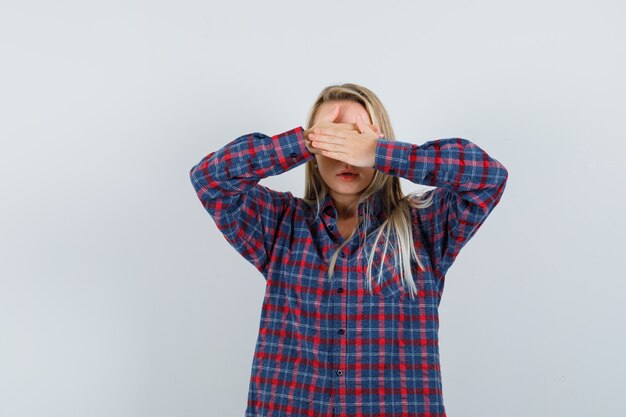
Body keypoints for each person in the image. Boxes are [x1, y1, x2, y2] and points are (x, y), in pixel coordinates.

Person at [189, 83, 508, 417]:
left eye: (357, 136)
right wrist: (302, 141)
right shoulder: (280, 223)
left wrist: (380, 153)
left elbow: (488, 177)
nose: (346, 153)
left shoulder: (425, 224)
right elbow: (209, 180)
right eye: (332, 137)